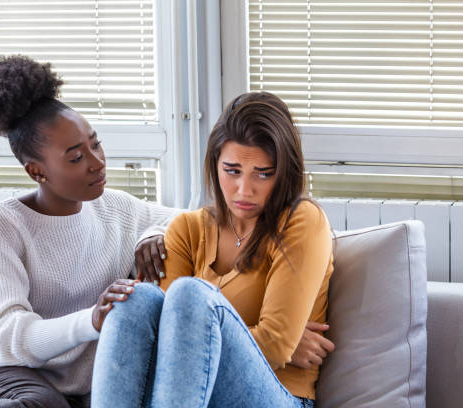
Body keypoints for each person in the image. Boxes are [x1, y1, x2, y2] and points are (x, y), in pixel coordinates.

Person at [0, 55, 179, 408]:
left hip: (58, 387)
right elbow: (3, 336)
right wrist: (90, 320)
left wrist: (151, 234)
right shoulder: (0, 225)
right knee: (41, 404)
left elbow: (192, 220)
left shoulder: (117, 208)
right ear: (36, 172)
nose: (97, 162)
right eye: (76, 157)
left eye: (96, 143)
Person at [91, 91, 335, 407]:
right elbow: (172, 342)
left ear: (285, 171)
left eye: (264, 173)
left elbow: (275, 346)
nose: (244, 190)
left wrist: (211, 338)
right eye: (232, 170)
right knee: (135, 300)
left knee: (191, 296)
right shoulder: (187, 230)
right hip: (193, 393)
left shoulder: (301, 220)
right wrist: (244, 340)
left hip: (281, 396)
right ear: (215, 164)